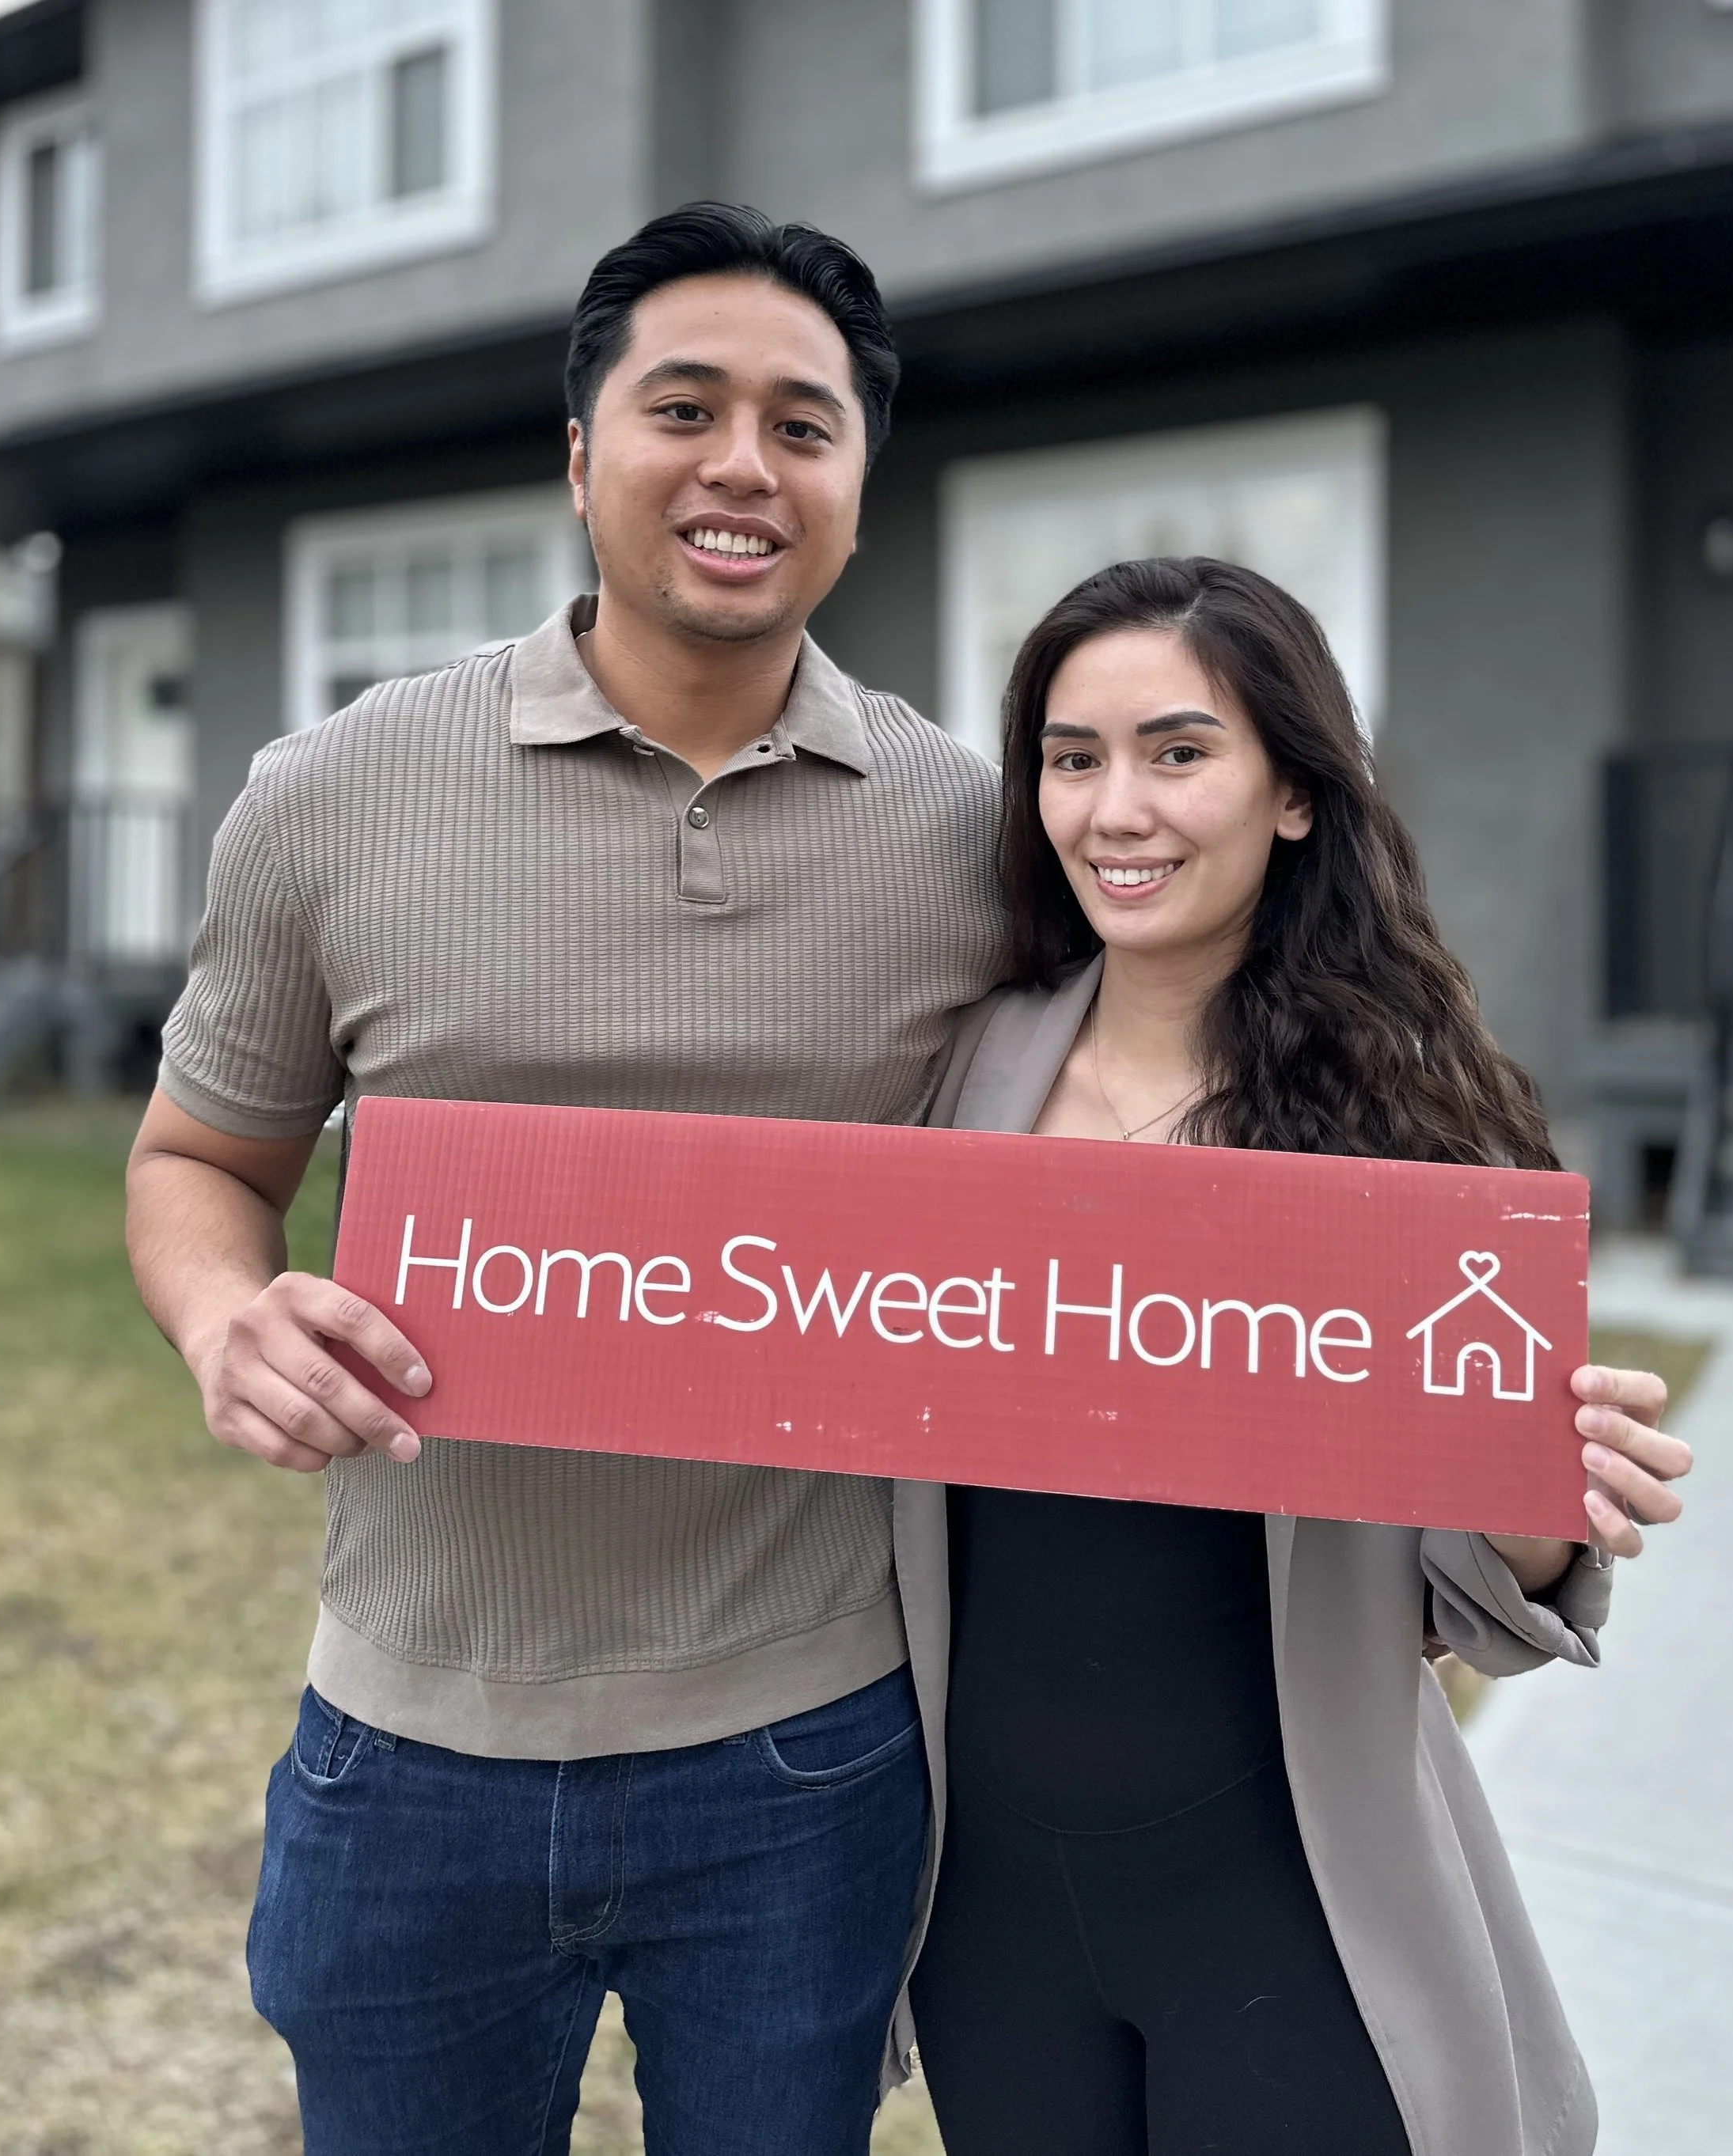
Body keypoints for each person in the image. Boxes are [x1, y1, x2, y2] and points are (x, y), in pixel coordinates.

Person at [123, 205, 1003, 2156]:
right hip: (410, 1744)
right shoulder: (334, 792)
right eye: (681, 406)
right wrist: (222, 1310)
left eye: (803, 423)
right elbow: (199, 1155)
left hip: (809, 1748)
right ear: (581, 454)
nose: (740, 466)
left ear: (859, 482)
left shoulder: (973, 834)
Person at [894, 556, 1693, 2156]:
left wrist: (1545, 1497)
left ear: (1292, 795)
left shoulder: (1404, 1123)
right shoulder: (962, 1065)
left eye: (1178, 751)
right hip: (986, 1909)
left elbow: (1468, 1597)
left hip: (1282, 1897)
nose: (1115, 807)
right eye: (1072, 757)